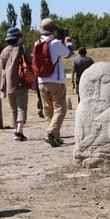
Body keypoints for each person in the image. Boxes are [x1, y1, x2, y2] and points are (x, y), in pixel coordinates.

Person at [34, 18, 73, 146]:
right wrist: (68, 42)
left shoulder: (37, 43)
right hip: (55, 80)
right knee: (60, 108)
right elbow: (68, 54)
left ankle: (54, 137)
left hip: (41, 81)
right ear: (53, 30)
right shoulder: (55, 43)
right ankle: (51, 132)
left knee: (48, 109)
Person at [0, 25, 30, 141]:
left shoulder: (4, 51)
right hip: (21, 82)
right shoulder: (23, 49)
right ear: (17, 38)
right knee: (22, 107)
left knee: (13, 109)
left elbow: (2, 67)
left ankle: (14, 130)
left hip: (8, 83)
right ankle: (19, 131)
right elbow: (30, 62)